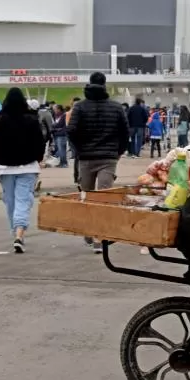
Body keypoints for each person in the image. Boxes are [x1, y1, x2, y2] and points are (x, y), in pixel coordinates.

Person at [67, 72, 129, 253]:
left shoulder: (79, 107)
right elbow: (125, 133)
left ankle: (89, 232)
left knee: (86, 196)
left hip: (86, 158)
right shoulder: (116, 107)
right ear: (105, 85)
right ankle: (98, 237)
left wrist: (79, 148)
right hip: (108, 158)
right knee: (104, 197)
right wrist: (119, 152)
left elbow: (71, 130)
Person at [0, 87, 45, 253]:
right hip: (27, 166)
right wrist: (39, 158)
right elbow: (39, 142)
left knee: (10, 200)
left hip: (5, 167)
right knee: (23, 200)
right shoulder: (32, 120)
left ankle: (15, 231)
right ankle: (19, 232)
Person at [51, 104, 69, 169]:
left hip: (62, 135)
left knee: (62, 150)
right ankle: (61, 162)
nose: (54, 111)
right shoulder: (56, 116)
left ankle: (64, 163)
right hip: (57, 134)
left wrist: (55, 127)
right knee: (60, 149)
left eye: (55, 109)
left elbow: (60, 125)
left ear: (59, 109)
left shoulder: (64, 116)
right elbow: (55, 125)